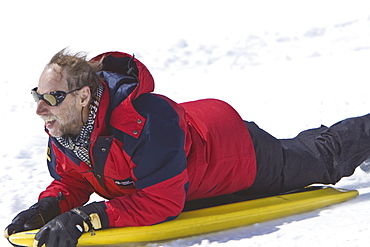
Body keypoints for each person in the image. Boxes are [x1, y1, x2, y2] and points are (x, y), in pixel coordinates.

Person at [4, 49, 370, 247]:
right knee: (302, 149)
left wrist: (90, 217)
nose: (40, 107)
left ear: (84, 96)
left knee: (322, 159)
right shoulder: (66, 125)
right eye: (37, 95)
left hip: (236, 154)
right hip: (193, 156)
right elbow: (75, 180)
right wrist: (50, 206)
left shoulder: (142, 125)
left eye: (52, 96)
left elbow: (163, 202)